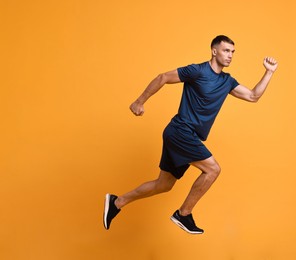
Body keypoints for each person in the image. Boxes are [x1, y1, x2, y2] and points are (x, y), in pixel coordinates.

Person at [103, 35, 278, 234]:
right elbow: (163, 77)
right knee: (212, 170)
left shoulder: (227, 81)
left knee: (164, 184)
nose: (230, 56)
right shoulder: (197, 70)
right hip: (180, 131)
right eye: (226, 50)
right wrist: (139, 101)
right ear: (214, 51)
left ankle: (117, 202)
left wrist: (269, 73)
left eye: (232, 52)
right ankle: (183, 214)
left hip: (187, 136)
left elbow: (253, 96)